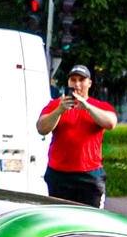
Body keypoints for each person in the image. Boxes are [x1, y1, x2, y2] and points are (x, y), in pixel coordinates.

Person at [36, 64, 118, 208]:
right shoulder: (56, 105)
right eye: (73, 80)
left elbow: (111, 123)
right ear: (68, 83)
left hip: (89, 175)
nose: (77, 84)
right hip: (59, 175)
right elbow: (42, 128)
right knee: (58, 220)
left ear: (89, 83)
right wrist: (59, 111)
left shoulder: (99, 106)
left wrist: (87, 106)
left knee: (90, 221)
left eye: (82, 80)